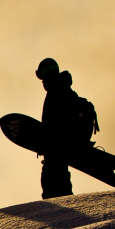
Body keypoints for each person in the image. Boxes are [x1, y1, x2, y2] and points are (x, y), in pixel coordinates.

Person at [36, 58, 96, 199]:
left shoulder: (57, 91)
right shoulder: (62, 89)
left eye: (41, 76)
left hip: (58, 150)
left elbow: (56, 123)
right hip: (60, 150)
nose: (42, 81)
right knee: (57, 181)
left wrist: (50, 143)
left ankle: (63, 213)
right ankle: (63, 210)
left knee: (54, 183)